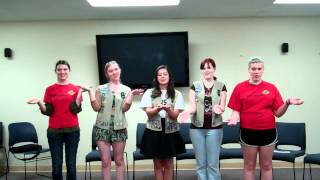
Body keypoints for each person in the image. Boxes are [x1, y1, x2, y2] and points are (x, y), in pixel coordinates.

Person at [227, 57, 304, 180]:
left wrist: (287, 103)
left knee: (267, 166)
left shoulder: (271, 88)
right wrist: (234, 117)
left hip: (268, 132)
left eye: (259, 69)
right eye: (253, 69)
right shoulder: (239, 87)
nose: (256, 71)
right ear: (249, 70)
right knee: (249, 166)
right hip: (248, 132)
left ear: (263, 70)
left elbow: (278, 113)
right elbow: (236, 110)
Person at [81, 60, 143, 180]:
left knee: (119, 160)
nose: (114, 72)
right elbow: (96, 108)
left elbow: (125, 109)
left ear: (119, 70)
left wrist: (131, 95)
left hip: (120, 128)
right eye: (110, 71)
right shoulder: (101, 89)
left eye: (116, 69)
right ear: (107, 74)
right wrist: (90, 92)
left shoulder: (126, 89)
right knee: (105, 161)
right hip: (101, 128)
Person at [27, 60, 83, 180]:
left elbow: (76, 110)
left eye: (65, 69)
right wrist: (39, 103)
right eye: (59, 69)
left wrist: (80, 94)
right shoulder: (50, 89)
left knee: (71, 165)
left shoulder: (75, 88)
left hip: (72, 131)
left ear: (69, 71)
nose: (62, 72)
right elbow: (48, 111)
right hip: (54, 132)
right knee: (56, 165)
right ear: (56, 71)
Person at [178, 58, 227, 180]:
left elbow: (222, 107)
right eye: (204, 68)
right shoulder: (195, 86)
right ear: (201, 70)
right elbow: (193, 107)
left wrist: (219, 109)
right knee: (200, 163)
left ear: (214, 69)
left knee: (213, 163)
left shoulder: (221, 86)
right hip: (197, 129)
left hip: (215, 129)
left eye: (209, 67)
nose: (206, 70)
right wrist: (187, 112)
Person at [140, 65, 186, 180]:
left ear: (169, 77)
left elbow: (175, 115)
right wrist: (157, 109)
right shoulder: (149, 93)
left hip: (170, 131)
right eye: (159, 75)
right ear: (156, 78)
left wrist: (168, 109)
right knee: (158, 164)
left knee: (169, 164)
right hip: (154, 131)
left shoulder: (177, 94)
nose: (162, 76)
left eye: (165, 74)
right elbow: (148, 113)